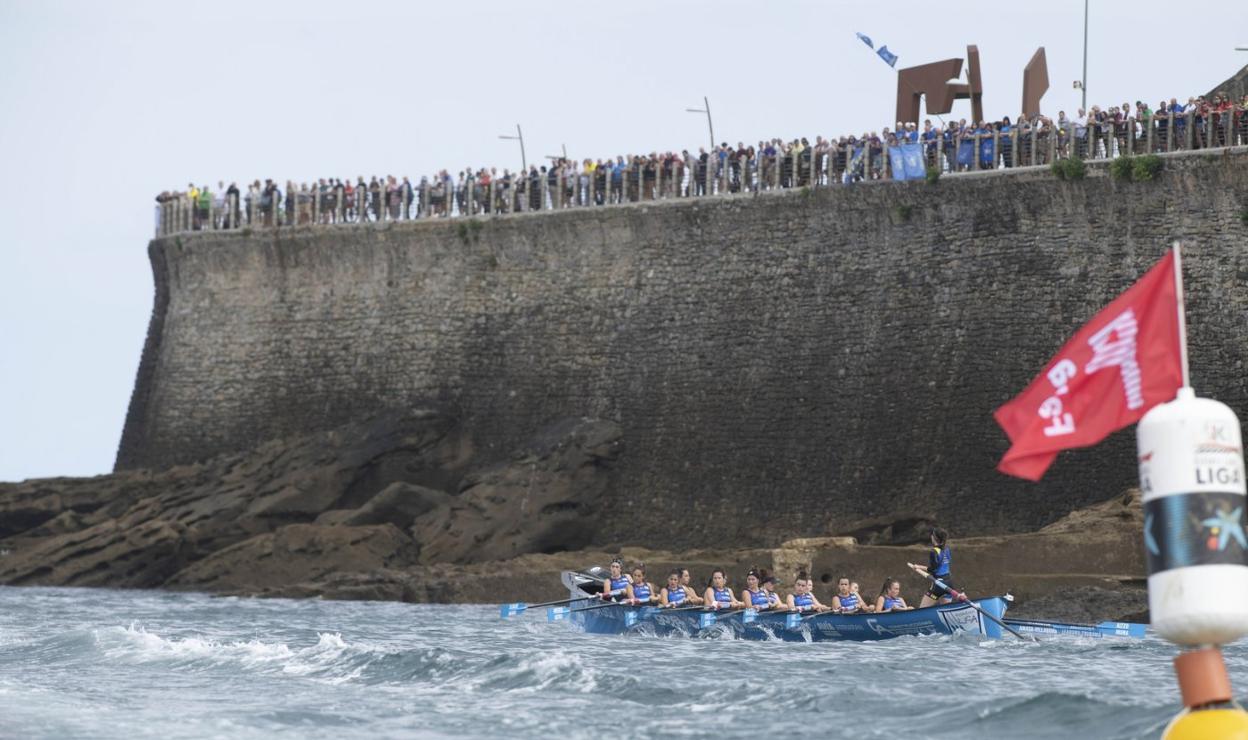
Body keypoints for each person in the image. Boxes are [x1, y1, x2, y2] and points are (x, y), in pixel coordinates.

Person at [908, 527, 956, 608]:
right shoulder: (947, 549)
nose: (931, 536)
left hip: (938, 584)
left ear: (934, 537)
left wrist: (918, 567)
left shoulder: (934, 552)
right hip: (949, 583)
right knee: (946, 611)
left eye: (932, 535)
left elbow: (933, 569)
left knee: (922, 610)